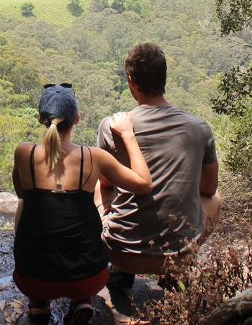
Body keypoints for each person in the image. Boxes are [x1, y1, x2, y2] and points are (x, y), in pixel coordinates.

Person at [12, 84, 153, 325]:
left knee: (27, 202)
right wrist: (128, 136)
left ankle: (38, 303)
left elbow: (20, 192)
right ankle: (81, 300)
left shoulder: (24, 152)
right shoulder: (93, 157)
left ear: (40, 119)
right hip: (89, 279)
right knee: (89, 200)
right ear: (77, 119)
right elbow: (144, 184)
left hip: (32, 279)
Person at [97, 43, 222, 289]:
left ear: (131, 81)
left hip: (121, 252)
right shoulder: (199, 128)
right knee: (216, 198)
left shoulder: (111, 127)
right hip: (177, 255)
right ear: (164, 79)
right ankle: (179, 269)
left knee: (99, 185)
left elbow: (106, 183)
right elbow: (208, 189)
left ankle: (119, 269)